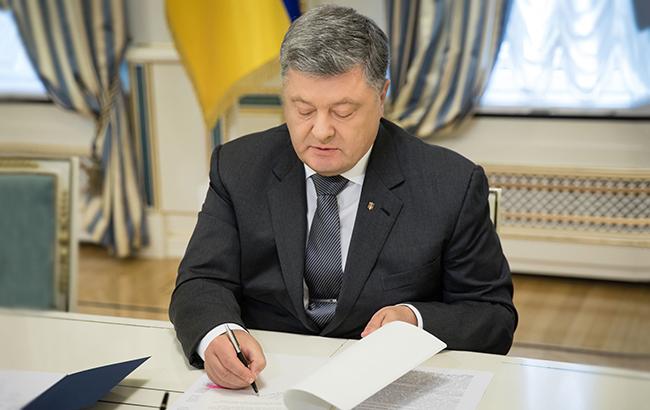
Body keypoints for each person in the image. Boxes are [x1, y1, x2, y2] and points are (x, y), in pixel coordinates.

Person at [169, 5, 517, 390]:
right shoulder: (238, 167)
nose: (321, 131)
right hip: (266, 380)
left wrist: (414, 319)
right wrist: (217, 334)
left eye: (343, 111)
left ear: (382, 96)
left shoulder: (450, 184)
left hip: (387, 381)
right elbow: (202, 280)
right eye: (303, 109)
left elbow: (492, 315)